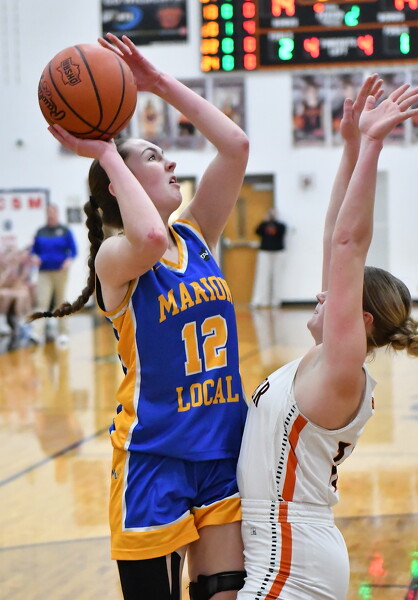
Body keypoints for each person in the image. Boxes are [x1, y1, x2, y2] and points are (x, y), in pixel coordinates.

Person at [31, 33, 249, 600]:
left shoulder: (196, 235)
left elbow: (235, 146)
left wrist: (158, 84)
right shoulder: (115, 257)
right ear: (119, 183)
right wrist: (105, 150)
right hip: (154, 459)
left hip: (221, 450)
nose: (171, 161)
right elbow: (149, 237)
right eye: (153, 157)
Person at [236, 76, 418, 600]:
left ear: (359, 320)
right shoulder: (323, 360)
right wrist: (350, 147)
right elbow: (331, 231)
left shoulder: (342, 369)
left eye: (334, 296)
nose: (321, 294)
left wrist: (375, 145)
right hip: (278, 544)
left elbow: (346, 243)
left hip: (292, 555)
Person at [30, 203, 77, 347]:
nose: (50, 214)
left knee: (60, 302)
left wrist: (68, 261)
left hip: (60, 272)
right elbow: (33, 251)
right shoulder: (40, 231)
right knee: (42, 302)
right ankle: (37, 333)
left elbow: (74, 250)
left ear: (57, 213)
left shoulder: (64, 231)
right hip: (44, 272)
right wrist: (34, 257)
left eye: (52, 212)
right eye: (48, 212)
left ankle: (63, 333)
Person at [251, 209, 287, 308]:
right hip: (265, 252)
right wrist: (265, 221)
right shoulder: (263, 225)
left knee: (277, 276)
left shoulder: (281, 226)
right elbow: (257, 231)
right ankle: (259, 300)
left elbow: (281, 232)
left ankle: (275, 301)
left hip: (278, 253)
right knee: (262, 276)